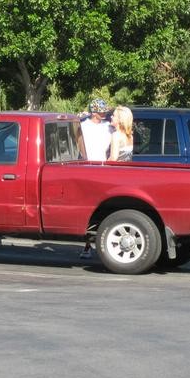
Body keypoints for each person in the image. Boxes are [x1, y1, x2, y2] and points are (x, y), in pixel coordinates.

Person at [78, 98, 113, 259]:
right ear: (94, 112)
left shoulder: (108, 127)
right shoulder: (83, 126)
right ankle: (87, 244)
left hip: (104, 169)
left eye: (104, 111)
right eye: (101, 111)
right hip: (88, 168)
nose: (104, 114)